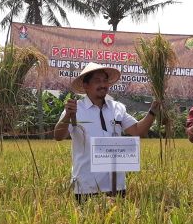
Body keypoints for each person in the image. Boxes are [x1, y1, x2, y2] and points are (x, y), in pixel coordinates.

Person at [53, 62, 157, 201]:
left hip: (116, 185)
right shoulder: (75, 109)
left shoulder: (118, 108)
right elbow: (59, 136)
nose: (102, 85)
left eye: (105, 81)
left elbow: (138, 130)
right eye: (97, 81)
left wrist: (153, 110)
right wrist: (67, 115)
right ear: (85, 85)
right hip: (87, 184)